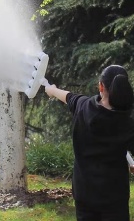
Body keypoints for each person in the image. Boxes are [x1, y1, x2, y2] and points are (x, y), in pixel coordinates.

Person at [45, 65, 134, 221]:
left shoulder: (84, 106)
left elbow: (68, 96)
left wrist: (51, 90)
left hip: (84, 194)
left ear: (100, 86)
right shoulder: (127, 123)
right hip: (115, 198)